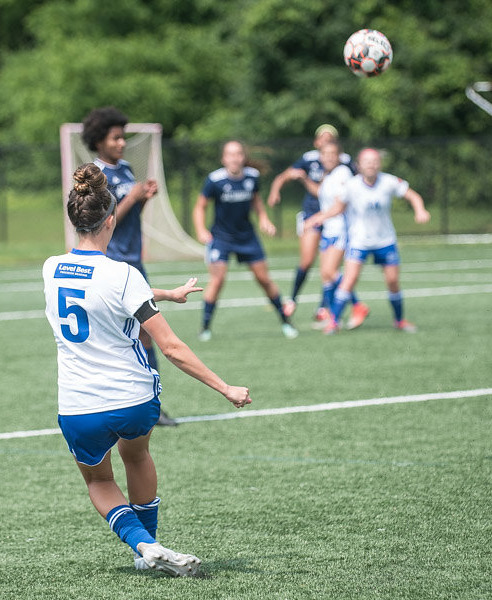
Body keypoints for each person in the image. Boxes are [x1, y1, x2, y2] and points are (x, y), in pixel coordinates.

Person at [43, 163, 252, 576]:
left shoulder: (50, 268)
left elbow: (92, 285)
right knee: (136, 457)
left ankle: (143, 545)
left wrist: (166, 294)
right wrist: (224, 387)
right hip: (132, 399)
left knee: (100, 483)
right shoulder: (124, 275)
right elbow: (171, 347)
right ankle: (148, 550)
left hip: (78, 405)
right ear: (112, 218)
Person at [81, 106, 177, 427]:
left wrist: (144, 197)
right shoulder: (94, 176)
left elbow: (129, 216)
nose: (122, 143)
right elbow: (100, 223)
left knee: (146, 333)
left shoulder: (124, 169)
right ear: (98, 140)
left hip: (133, 262)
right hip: (109, 264)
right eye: (116, 138)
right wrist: (132, 198)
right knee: (116, 336)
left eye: (124, 137)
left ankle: (152, 405)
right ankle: (111, 403)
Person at [305, 148, 430, 334]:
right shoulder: (351, 185)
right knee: (349, 280)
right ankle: (334, 322)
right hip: (359, 241)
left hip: (385, 240)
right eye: (367, 161)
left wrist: (420, 210)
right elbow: (338, 207)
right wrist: (320, 217)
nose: (371, 164)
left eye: (374, 160)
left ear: (379, 163)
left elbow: (413, 195)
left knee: (393, 281)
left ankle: (399, 321)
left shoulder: (389, 181)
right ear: (359, 164)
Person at [192, 140, 298, 341]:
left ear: (243, 157)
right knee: (217, 280)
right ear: (224, 158)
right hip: (221, 238)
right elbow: (200, 206)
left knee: (264, 280)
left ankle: (286, 322)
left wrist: (264, 218)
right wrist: (200, 229)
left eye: (238, 154)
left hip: (247, 237)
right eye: (230, 154)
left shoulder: (252, 177)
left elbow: (256, 201)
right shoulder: (214, 180)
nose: (234, 158)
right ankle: (205, 328)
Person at [267, 124, 355, 321]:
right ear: (317, 143)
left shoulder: (343, 164)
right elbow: (285, 176)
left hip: (335, 218)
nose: (326, 142)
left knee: (330, 269)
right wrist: (275, 191)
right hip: (313, 215)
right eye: (322, 138)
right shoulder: (310, 159)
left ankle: (326, 308)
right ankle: (293, 299)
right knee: (307, 261)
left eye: (330, 138)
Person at [303, 140, 370, 330]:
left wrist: (317, 217)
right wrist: (304, 180)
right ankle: (334, 316)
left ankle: (358, 305)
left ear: (339, 156)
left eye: (333, 154)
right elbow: (320, 193)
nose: (329, 157)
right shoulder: (328, 175)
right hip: (329, 229)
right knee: (326, 275)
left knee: (331, 272)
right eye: (325, 154)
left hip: (341, 229)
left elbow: (341, 205)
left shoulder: (343, 174)